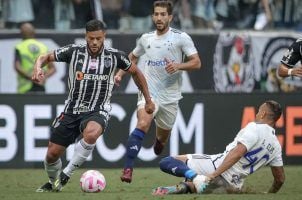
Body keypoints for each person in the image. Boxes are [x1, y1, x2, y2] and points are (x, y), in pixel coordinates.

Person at [33, 19, 155, 192]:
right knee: (51, 155)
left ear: (104, 36)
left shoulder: (115, 56)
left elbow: (136, 72)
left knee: (91, 133)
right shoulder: (73, 52)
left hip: (98, 109)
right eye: (91, 38)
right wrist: (38, 67)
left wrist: (148, 100)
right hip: (72, 110)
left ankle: (66, 174)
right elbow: (45, 56)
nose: (95, 42)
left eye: (98, 38)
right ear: (86, 37)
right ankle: (54, 184)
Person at [114, 0, 201, 183]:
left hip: (170, 96)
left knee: (161, 141)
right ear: (152, 16)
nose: (159, 18)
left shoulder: (181, 37)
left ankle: (159, 140)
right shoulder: (146, 39)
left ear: (170, 17)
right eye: (156, 14)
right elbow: (133, 57)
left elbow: (197, 62)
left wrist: (178, 66)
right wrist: (120, 74)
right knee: (143, 123)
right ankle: (128, 169)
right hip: (149, 92)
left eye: (163, 14)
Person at [152, 100, 285, 195]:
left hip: (216, 166)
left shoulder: (255, 127)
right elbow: (280, 179)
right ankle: (184, 187)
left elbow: (237, 153)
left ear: (262, 114)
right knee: (201, 187)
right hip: (234, 185)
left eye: (258, 111)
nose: (256, 114)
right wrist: (269, 194)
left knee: (167, 162)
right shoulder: (276, 146)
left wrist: (212, 175)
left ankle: (194, 177)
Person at [15, 23, 56, 93]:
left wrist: (31, 78)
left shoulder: (20, 47)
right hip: (40, 86)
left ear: (21, 33)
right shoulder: (43, 47)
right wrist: (43, 78)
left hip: (25, 88)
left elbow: (17, 67)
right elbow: (53, 68)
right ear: (34, 33)